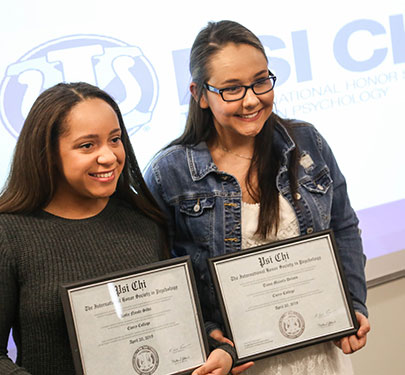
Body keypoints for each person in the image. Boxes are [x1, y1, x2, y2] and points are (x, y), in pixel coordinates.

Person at [144, 20, 370, 375]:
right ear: (200, 93)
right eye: (231, 89)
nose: (252, 100)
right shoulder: (168, 173)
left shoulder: (306, 143)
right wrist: (206, 337)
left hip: (323, 356)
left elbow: (343, 227)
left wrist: (353, 304)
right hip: (237, 363)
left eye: (261, 81)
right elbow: (162, 280)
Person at [0, 82, 234, 375]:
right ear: (47, 152)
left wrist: (219, 351)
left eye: (114, 139)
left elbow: (173, 322)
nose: (109, 156)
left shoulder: (143, 218)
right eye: (87, 145)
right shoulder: (8, 233)